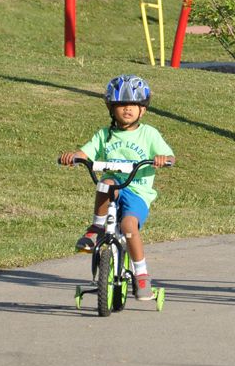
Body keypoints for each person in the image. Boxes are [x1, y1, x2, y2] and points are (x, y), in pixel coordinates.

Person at [58, 75, 175, 300]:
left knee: (129, 226)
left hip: (138, 193)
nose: (127, 109)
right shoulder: (105, 135)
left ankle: (141, 274)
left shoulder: (149, 134)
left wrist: (163, 159)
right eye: (121, 105)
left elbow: (170, 156)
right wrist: (74, 157)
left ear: (143, 110)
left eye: (132, 105)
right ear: (111, 109)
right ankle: (97, 228)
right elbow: (86, 153)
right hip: (113, 189)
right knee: (107, 182)